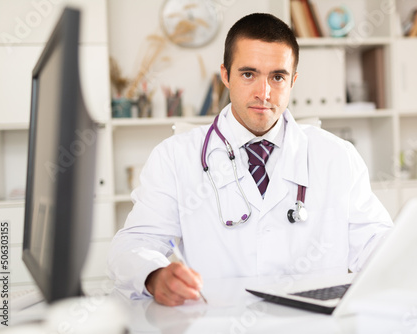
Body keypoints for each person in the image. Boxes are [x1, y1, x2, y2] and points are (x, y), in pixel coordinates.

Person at [108, 13, 393, 306]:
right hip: (216, 322)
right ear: (226, 75)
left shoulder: (337, 156)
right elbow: (134, 244)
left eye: (278, 77)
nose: (263, 93)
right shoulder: (174, 157)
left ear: (293, 81)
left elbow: (377, 244)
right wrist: (155, 275)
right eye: (248, 74)